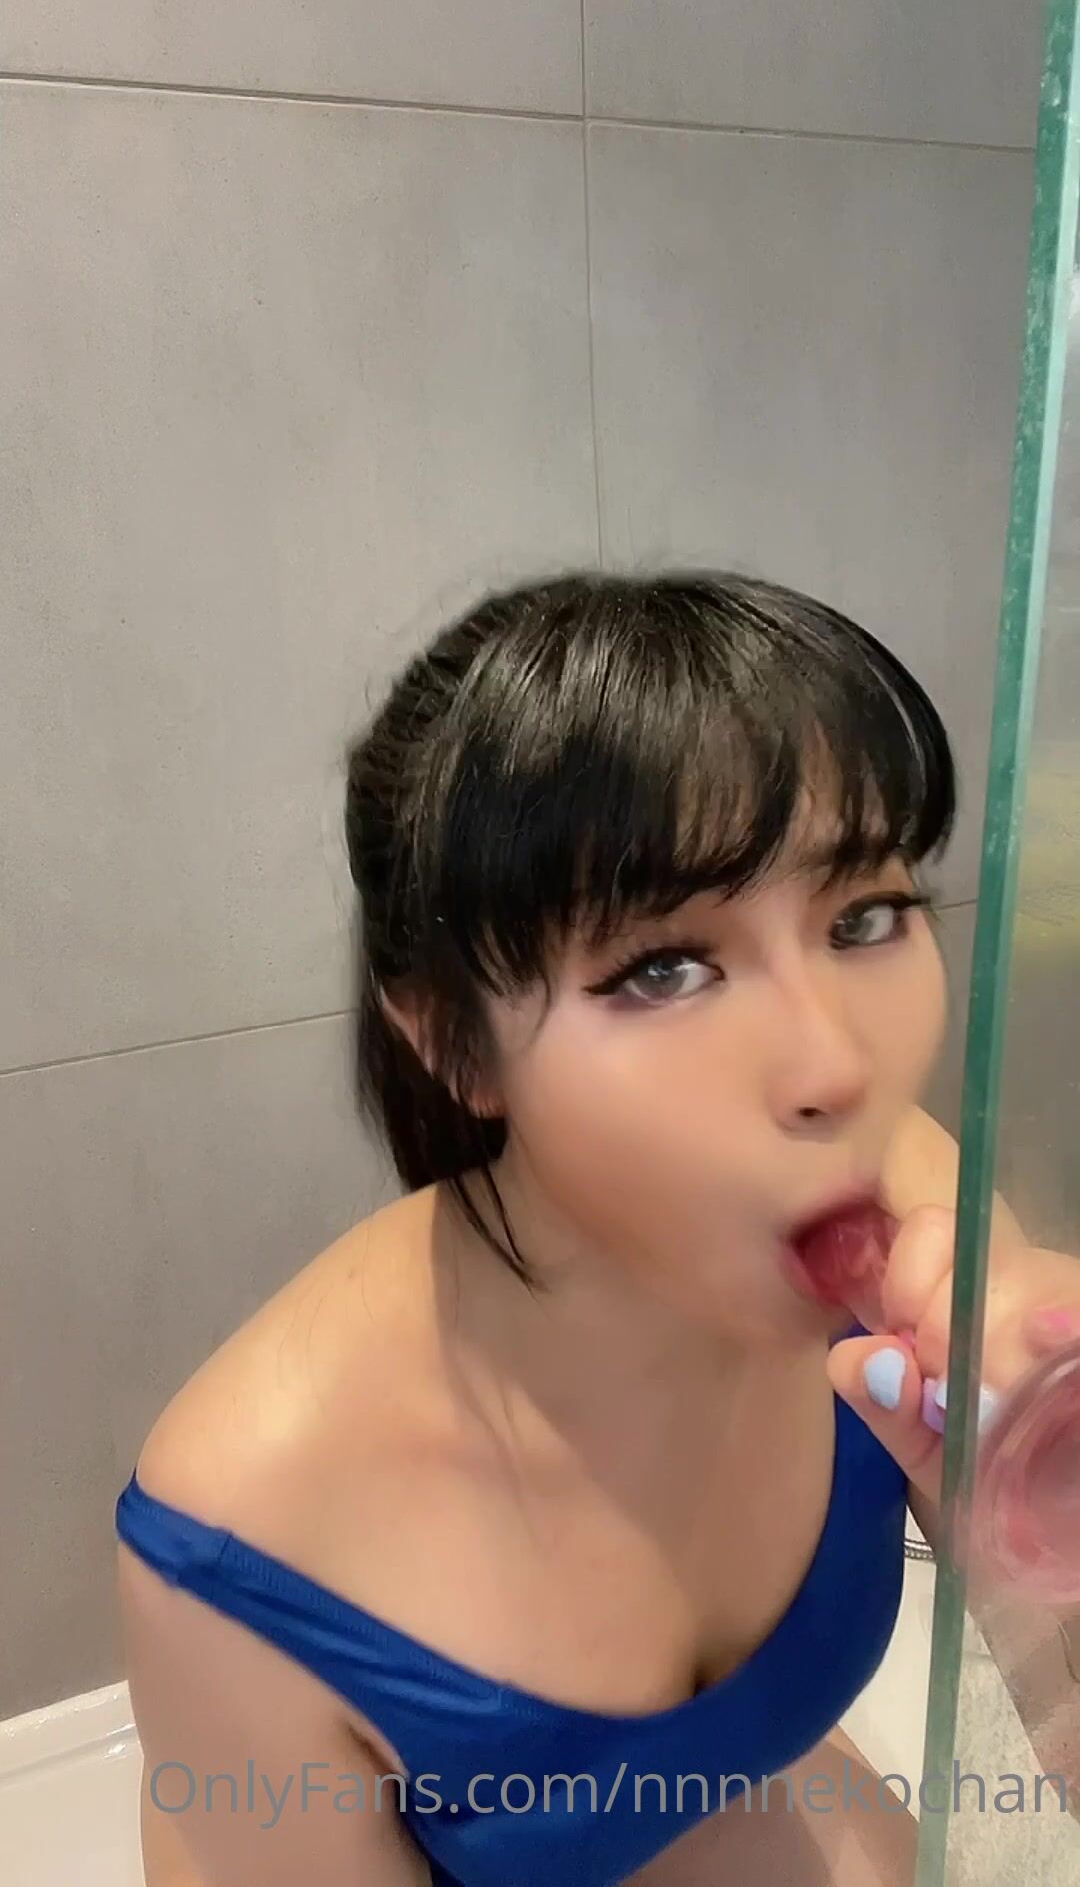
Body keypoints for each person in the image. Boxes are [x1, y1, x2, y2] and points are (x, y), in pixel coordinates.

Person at [115, 571, 1080, 1887]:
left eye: (862, 917)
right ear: (454, 1040)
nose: (836, 1067)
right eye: (663, 968)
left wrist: (1053, 1523)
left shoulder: (914, 1215)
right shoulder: (252, 1533)